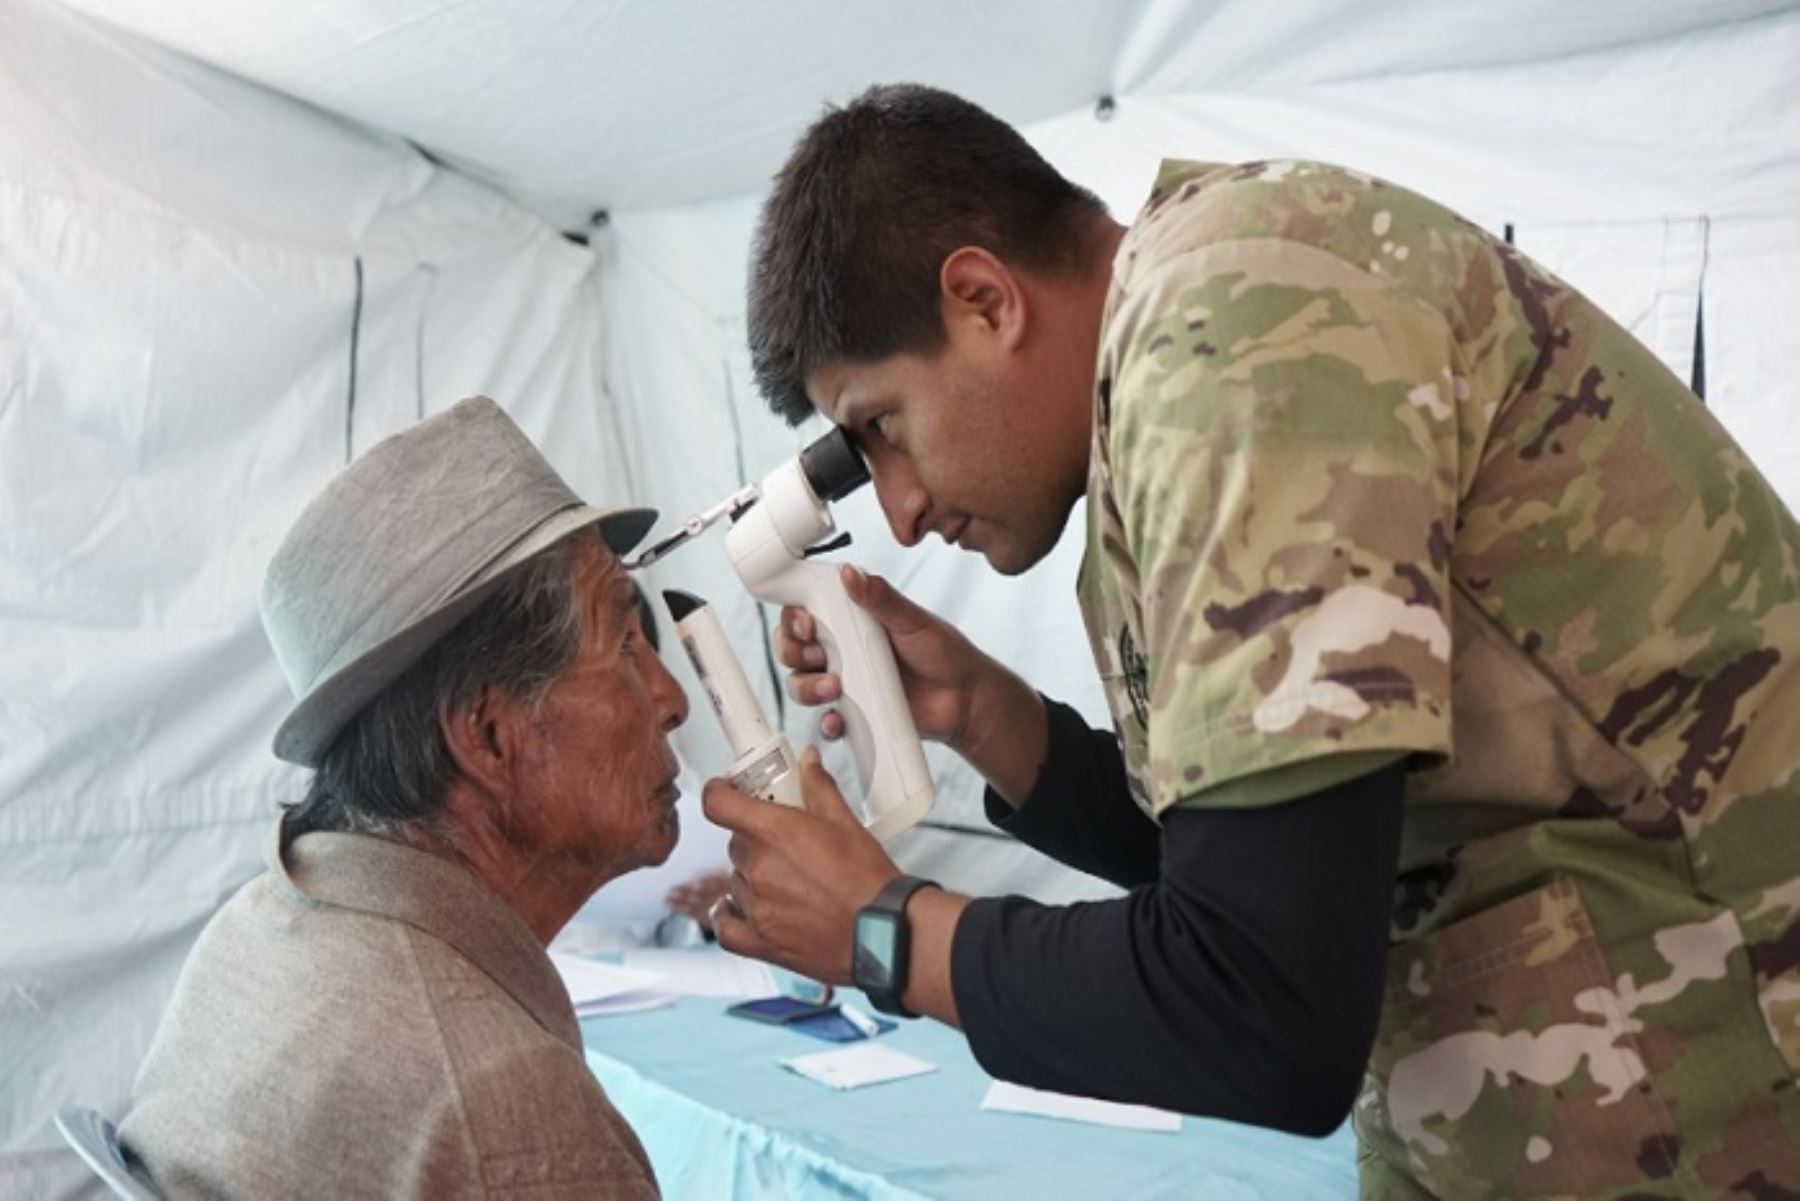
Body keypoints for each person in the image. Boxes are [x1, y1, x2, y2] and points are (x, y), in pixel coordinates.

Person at [701, 83, 1800, 1197]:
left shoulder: (1238, 338)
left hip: (1726, 1080)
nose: (899, 512)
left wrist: (887, 932)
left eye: (880, 429)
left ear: (985, 299)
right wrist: (991, 717)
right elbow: (1264, 854)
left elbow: (1264, 994)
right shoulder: (1160, 383)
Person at [120, 397, 687, 1199]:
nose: (670, 699)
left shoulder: (247, 931)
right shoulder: (502, 1104)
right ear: (490, 735)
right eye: (626, 644)